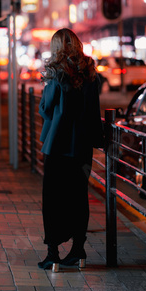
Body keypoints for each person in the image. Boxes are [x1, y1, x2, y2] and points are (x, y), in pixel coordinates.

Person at [38, 28, 104, 271]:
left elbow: (45, 109)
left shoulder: (56, 74)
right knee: (79, 197)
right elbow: (94, 111)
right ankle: (78, 251)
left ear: (57, 47)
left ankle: (53, 254)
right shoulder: (90, 75)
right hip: (82, 146)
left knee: (53, 199)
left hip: (58, 145)